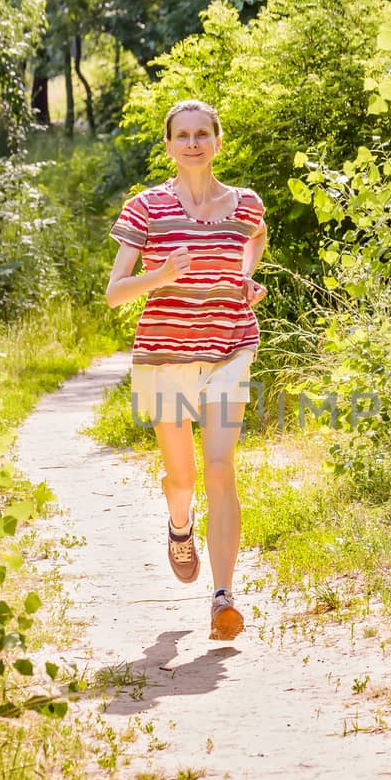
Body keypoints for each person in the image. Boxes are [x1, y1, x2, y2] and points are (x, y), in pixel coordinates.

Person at [104, 99, 268, 641]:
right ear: (170, 145)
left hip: (228, 349)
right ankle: (180, 526)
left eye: (203, 133)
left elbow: (255, 239)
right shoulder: (146, 208)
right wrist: (162, 275)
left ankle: (223, 596)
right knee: (183, 477)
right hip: (166, 355)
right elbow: (113, 294)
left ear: (218, 141)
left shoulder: (243, 204)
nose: (193, 143)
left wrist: (244, 279)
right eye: (183, 135)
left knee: (220, 467)